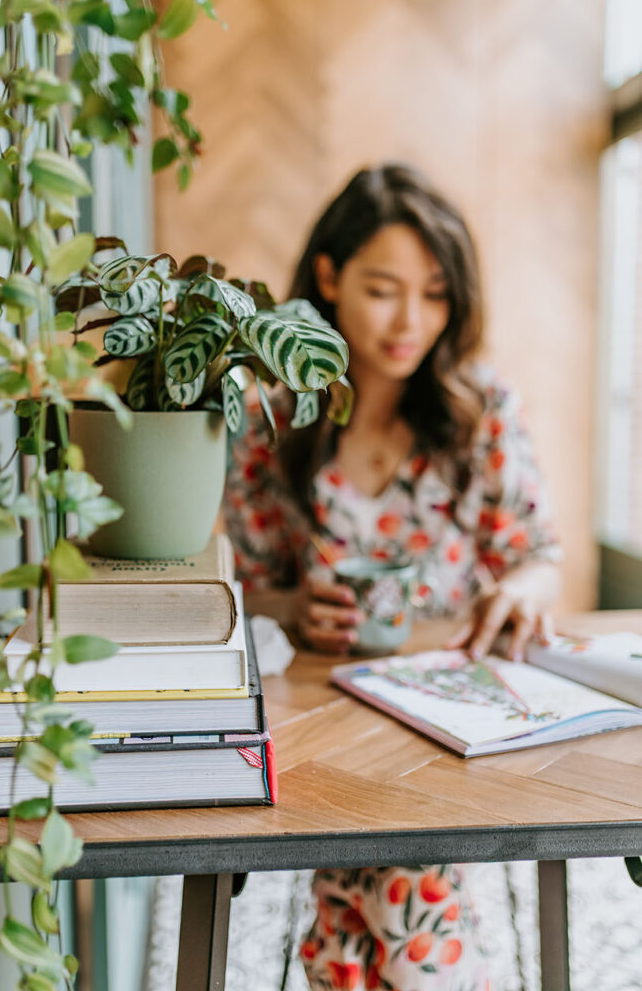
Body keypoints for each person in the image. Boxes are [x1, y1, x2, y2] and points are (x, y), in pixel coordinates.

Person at [223, 163, 561, 991]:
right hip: (325, 727)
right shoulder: (271, 420)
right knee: (385, 883)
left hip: (459, 725)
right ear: (330, 277)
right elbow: (243, 592)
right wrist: (296, 608)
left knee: (372, 902)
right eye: (383, 289)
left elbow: (536, 555)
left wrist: (519, 588)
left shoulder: (480, 410)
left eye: (435, 294)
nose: (411, 320)